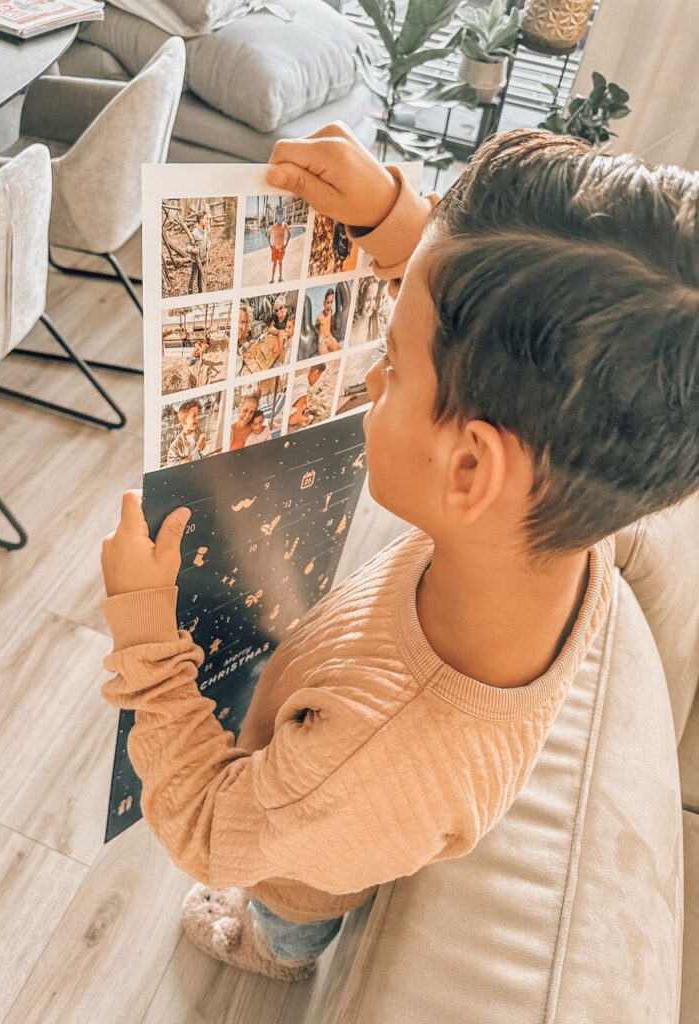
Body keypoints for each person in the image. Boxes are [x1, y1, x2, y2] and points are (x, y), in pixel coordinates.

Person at [99, 122, 699, 981]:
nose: (371, 378)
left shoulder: (376, 751)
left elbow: (205, 828)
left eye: (388, 362)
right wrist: (392, 219)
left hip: (300, 858)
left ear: (470, 468)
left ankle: (274, 950)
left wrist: (147, 635)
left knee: (283, 907)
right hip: (341, 798)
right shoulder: (556, 525)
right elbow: (493, 351)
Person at [165, 400, 206, 467]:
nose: (197, 418)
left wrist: (202, 446)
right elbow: (170, 463)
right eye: (194, 416)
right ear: (184, 420)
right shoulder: (176, 444)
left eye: (197, 415)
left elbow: (201, 449)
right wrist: (182, 462)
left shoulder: (198, 430)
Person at [351, 275, 389, 346]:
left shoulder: (378, 323)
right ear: (361, 299)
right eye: (368, 299)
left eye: (374, 299)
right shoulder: (352, 322)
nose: (371, 305)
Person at [287, 363, 326, 429]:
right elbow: (293, 420)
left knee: (304, 405)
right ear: (316, 373)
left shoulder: (301, 378)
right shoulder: (303, 394)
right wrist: (309, 419)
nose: (317, 380)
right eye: (318, 377)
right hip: (283, 415)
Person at [187, 211, 209, 295]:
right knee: (193, 277)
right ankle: (190, 292)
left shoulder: (205, 230)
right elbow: (187, 246)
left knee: (200, 278)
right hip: (195, 260)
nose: (207, 220)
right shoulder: (194, 233)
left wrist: (208, 243)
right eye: (206, 219)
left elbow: (205, 240)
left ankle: (200, 293)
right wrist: (193, 250)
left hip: (203, 259)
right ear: (201, 220)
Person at [267, 207, 291, 283]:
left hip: (281, 249)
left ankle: (280, 277)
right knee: (274, 264)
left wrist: (286, 245)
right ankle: (272, 279)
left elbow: (289, 234)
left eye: (281, 214)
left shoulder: (285, 225)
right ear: (276, 215)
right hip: (275, 249)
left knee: (280, 263)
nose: (280, 216)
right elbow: (268, 236)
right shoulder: (273, 227)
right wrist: (270, 246)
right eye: (278, 214)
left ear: (282, 215)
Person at [315, 288, 340, 354]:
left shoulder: (330, 312)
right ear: (324, 303)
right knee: (326, 360)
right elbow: (315, 328)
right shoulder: (320, 318)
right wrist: (319, 341)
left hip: (329, 337)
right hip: (322, 341)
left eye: (331, 302)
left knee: (339, 351)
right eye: (328, 302)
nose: (330, 305)